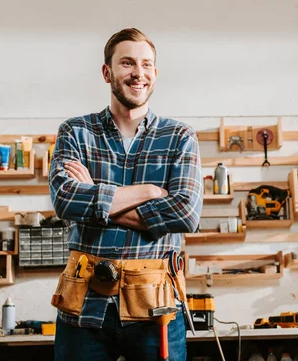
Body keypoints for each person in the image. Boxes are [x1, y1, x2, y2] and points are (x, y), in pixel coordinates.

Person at [49, 27, 203, 361]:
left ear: (155, 73)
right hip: (84, 304)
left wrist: (95, 197)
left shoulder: (179, 137)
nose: (138, 73)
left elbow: (185, 214)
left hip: (157, 303)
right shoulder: (76, 131)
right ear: (107, 72)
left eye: (147, 65)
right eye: (127, 63)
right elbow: (66, 200)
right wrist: (149, 191)